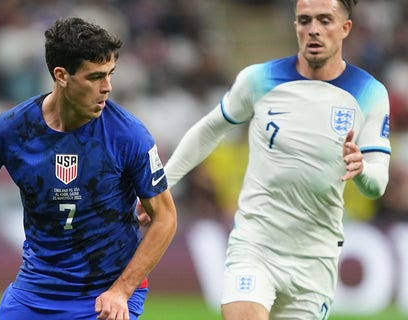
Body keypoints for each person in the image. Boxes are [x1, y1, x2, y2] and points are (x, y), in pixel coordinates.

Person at [0, 17, 177, 320]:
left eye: (110, 74)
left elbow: (164, 217)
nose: (107, 87)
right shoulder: (8, 131)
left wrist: (121, 290)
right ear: (61, 75)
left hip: (106, 293)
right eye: (95, 77)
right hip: (35, 290)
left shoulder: (129, 135)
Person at [139, 0, 391, 319]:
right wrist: (160, 187)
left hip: (315, 261)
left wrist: (362, 170)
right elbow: (208, 130)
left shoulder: (370, 93)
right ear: (295, 26)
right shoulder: (259, 79)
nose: (314, 29)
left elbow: (377, 184)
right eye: (305, 20)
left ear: (345, 28)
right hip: (255, 247)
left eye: (325, 20)